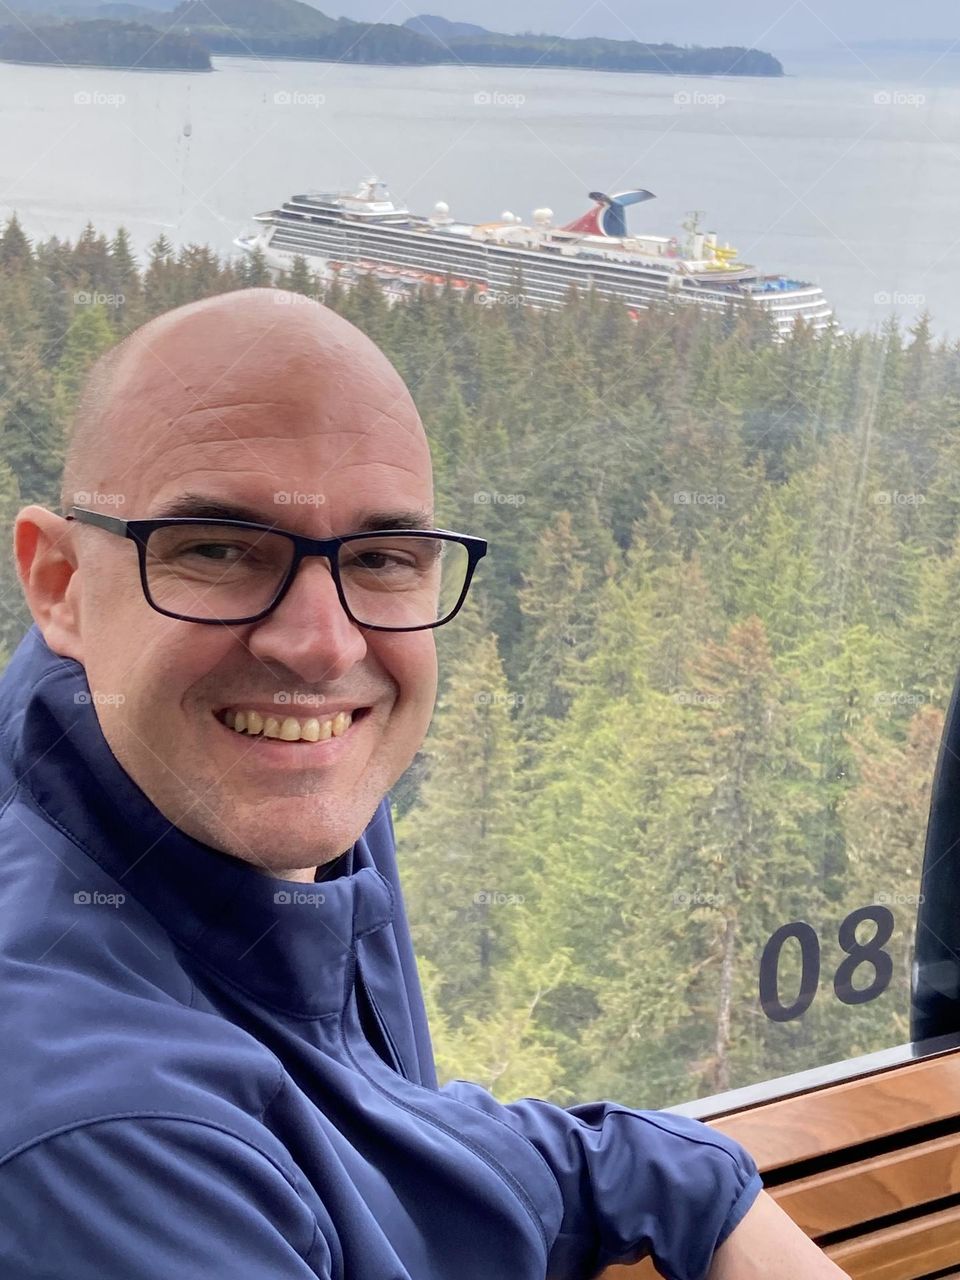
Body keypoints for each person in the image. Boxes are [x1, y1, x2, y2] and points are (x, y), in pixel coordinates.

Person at [0, 288, 847, 1278]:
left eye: (384, 556)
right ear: (59, 583)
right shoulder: (94, 1138)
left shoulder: (231, 793)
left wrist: (692, 1178)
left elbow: (391, 1133)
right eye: (219, 548)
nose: (322, 644)